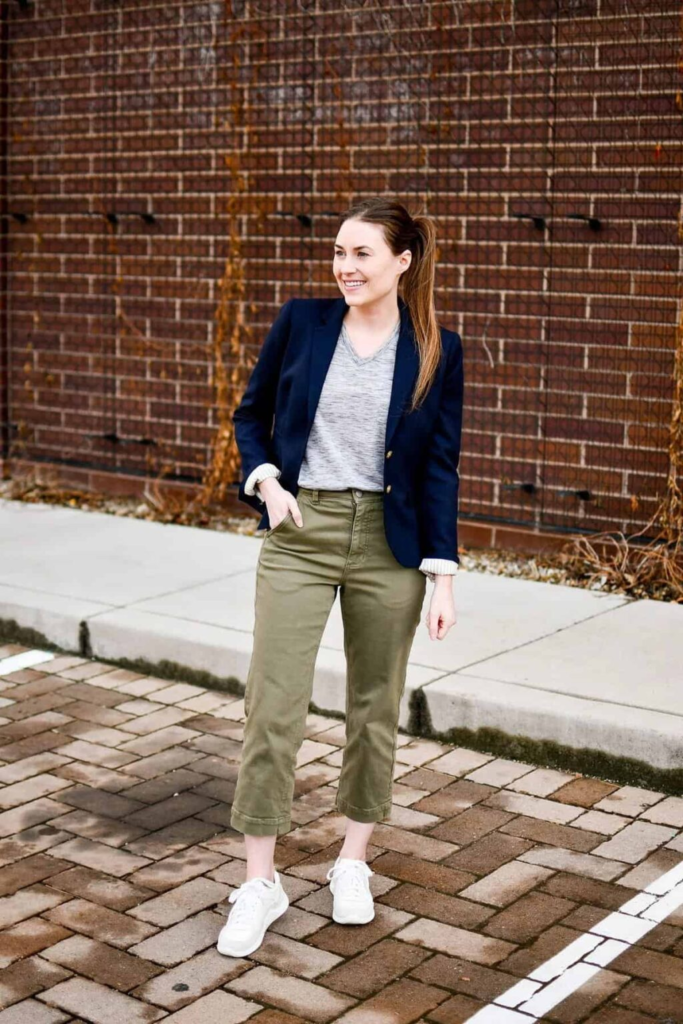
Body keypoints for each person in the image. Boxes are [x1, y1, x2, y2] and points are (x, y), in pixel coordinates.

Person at [217, 196, 465, 958]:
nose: (344, 266)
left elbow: (437, 467)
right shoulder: (302, 320)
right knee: (273, 704)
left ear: (402, 261)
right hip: (300, 530)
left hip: (388, 547)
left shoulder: (436, 348)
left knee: (374, 707)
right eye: (337, 252)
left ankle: (350, 861)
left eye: (361, 253)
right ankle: (259, 880)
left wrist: (443, 574)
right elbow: (250, 414)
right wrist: (266, 482)